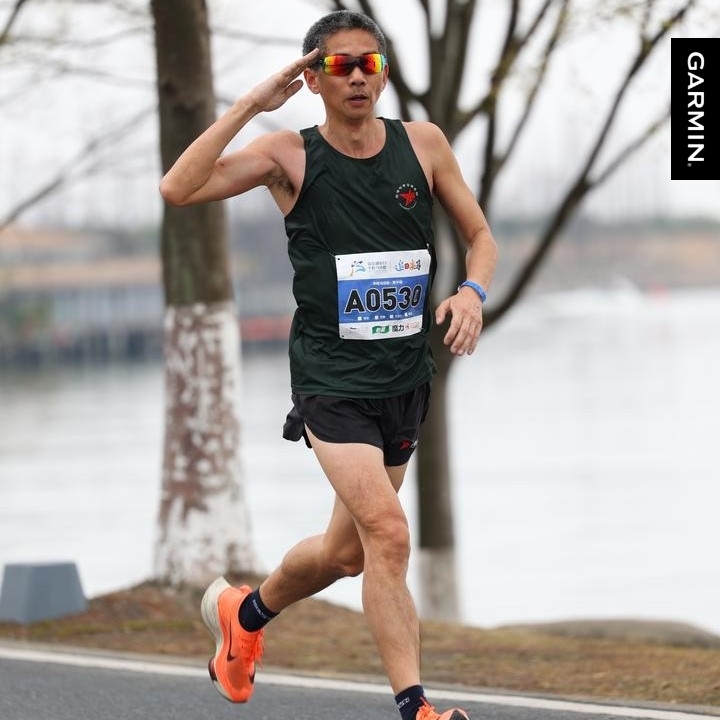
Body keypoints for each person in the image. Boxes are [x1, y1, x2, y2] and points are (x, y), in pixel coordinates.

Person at [160, 9, 497, 720]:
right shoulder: (289, 155)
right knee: (389, 535)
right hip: (331, 383)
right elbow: (178, 188)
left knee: (348, 555)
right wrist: (252, 104)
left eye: (369, 63)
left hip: (403, 382)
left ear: (383, 74)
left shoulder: (424, 144)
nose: (357, 78)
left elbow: (480, 236)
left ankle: (245, 614)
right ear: (312, 78)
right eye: (340, 65)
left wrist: (472, 291)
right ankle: (416, 707)